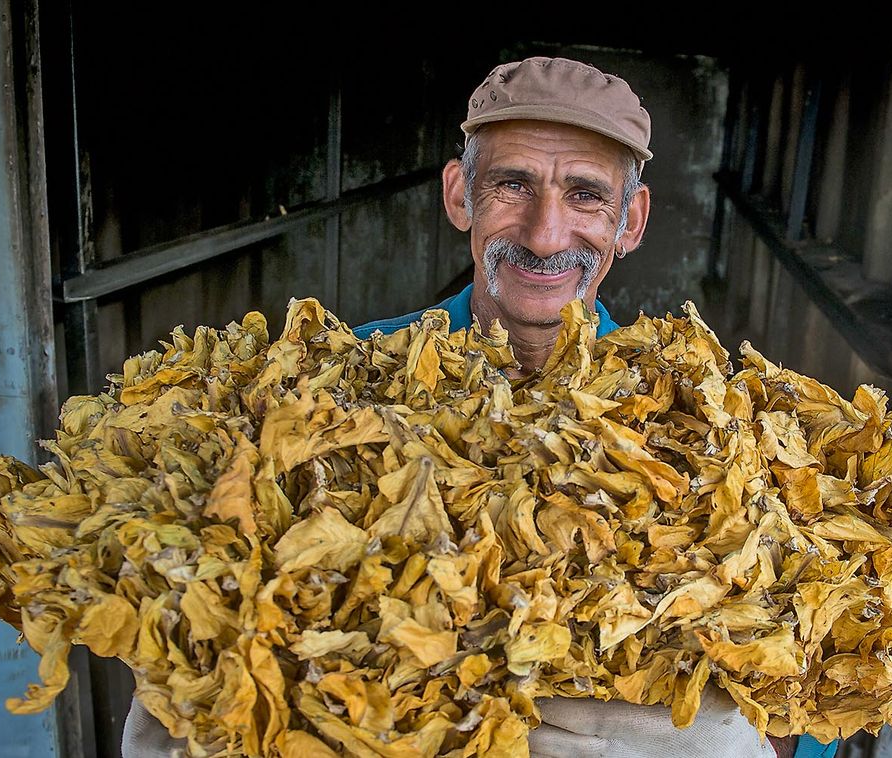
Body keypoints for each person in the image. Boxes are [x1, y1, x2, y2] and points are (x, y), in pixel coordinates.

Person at [123, 56, 837, 758]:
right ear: (460, 194)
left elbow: (807, 705)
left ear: (631, 220)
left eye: (585, 194)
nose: (545, 233)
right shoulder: (324, 387)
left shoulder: (718, 426)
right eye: (511, 184)